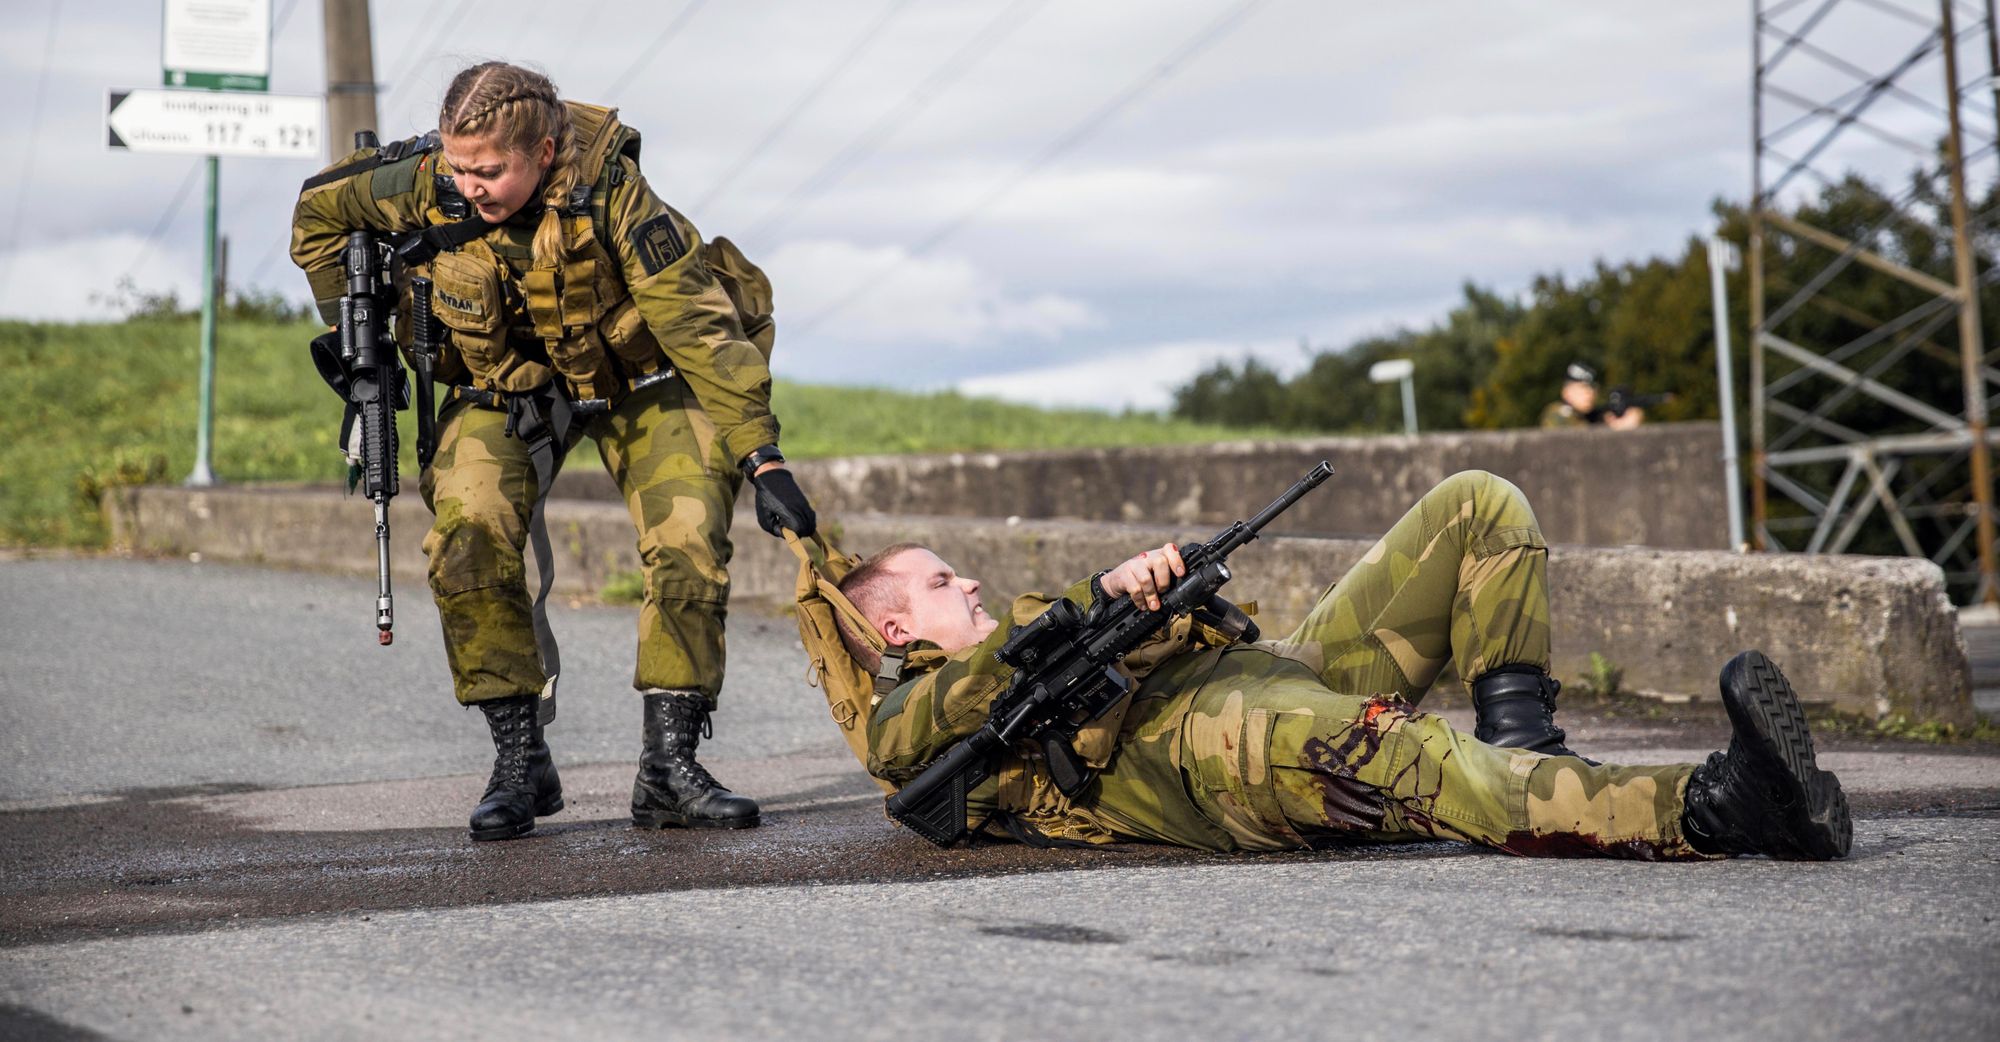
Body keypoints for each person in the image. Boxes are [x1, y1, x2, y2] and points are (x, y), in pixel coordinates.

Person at [290, 62, 816, 841]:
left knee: (688, 532)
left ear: (542, 151)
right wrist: (351, 329)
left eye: (490, 170)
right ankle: (518, 761)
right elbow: (316, 212)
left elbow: (699, 328)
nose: (469, 185)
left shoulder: (615, 196)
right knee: (469, 532)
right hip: (503, 386)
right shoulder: (423, 180)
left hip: (639, 377)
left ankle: (669, 769)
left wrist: (762, 459)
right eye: (459, 165)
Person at [832, 470, 1850, 861]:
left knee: (1477, 505)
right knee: (1422, 758)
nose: (968, 582)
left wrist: (1152, 605)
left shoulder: (1025, 639)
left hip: (1273, 677)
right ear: (892, 629)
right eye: (940, 581)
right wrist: (1092, 598)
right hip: (1236, 752)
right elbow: (912, 736)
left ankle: (1528, 755)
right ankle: (1712, 808)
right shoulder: (914, 721)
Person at [1540, 361, 1646, 431]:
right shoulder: (1558, 413)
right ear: (1566, 392)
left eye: (1592, 388)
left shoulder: (1594, 416)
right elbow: (1571, 440)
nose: (1589, 393)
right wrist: (1615, 429)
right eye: (1582, 388)